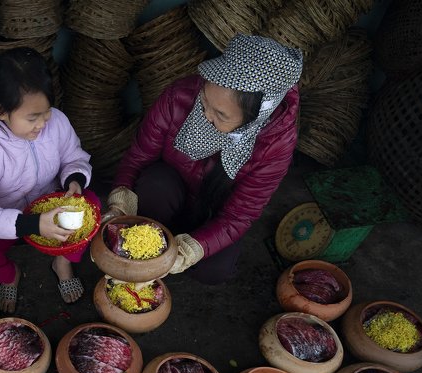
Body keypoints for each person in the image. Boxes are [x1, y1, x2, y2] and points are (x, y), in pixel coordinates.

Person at [106, 34, 303, 284]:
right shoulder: (179, 96)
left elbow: (238, 216)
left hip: (213, 213)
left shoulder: (276, 145)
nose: (206, 114)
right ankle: (147, 247)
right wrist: (120, 201)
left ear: (254, 118)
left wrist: (192, 250)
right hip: (168, 196)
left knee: (214, 270)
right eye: (205, 99)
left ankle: (171, 255)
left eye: (221, 114)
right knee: (155, 184)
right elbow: (138, 157)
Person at [0, 47, 93, 313]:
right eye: (32, 118)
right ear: (1, 112)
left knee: (92, 206)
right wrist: (31, 224)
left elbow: (73, 156)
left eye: (46, 112)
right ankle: (9, 275)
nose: (42, 124)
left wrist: (74, 180)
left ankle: (62, 262)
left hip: (52, 208)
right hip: (9, 221)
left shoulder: (57, 123)